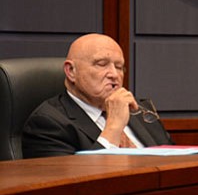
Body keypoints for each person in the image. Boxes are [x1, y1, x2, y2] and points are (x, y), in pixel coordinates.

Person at [22, 33, 173, 157]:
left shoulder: (139, 109)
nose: (114, 74)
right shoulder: (48, 123)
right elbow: (73, 185)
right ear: (71, 71)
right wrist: (114, 126)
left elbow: (174, 160)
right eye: (101, 64)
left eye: (119, 67)